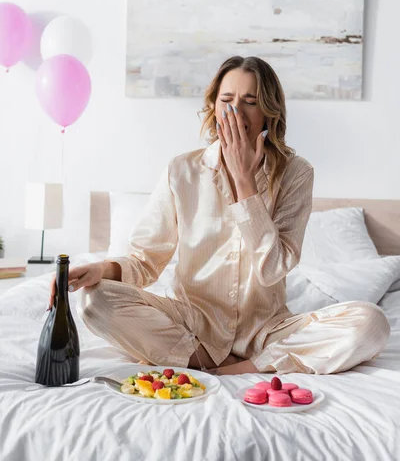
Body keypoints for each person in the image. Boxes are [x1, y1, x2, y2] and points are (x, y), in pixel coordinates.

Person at [48, 56, 390, 375]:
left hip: (267, 330)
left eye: (250, 101)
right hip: (192, 323)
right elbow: (145, 261)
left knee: (371, 323)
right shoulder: (181, 170)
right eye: (227, 100)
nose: (236, 111)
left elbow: (274, 268)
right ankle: (206, 359)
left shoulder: (296, 173)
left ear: (269, 111)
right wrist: (101, 269)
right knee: (95, 300)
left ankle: (236, 370)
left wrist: (245, 182)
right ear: (214, 105)